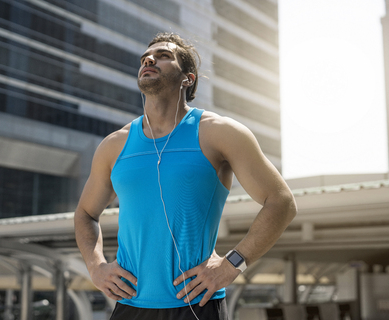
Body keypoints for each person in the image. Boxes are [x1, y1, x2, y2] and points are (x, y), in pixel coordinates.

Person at [74, 32, 297, 320]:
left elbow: (281, 202)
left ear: (187, 78)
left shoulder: (219, 132)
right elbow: (85, 214)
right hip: (130, 307)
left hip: (196, 306)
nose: (150, 59)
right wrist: (95, 266)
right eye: (146, 57)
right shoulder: (114, 145)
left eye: (164, 56)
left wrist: (232, 264)